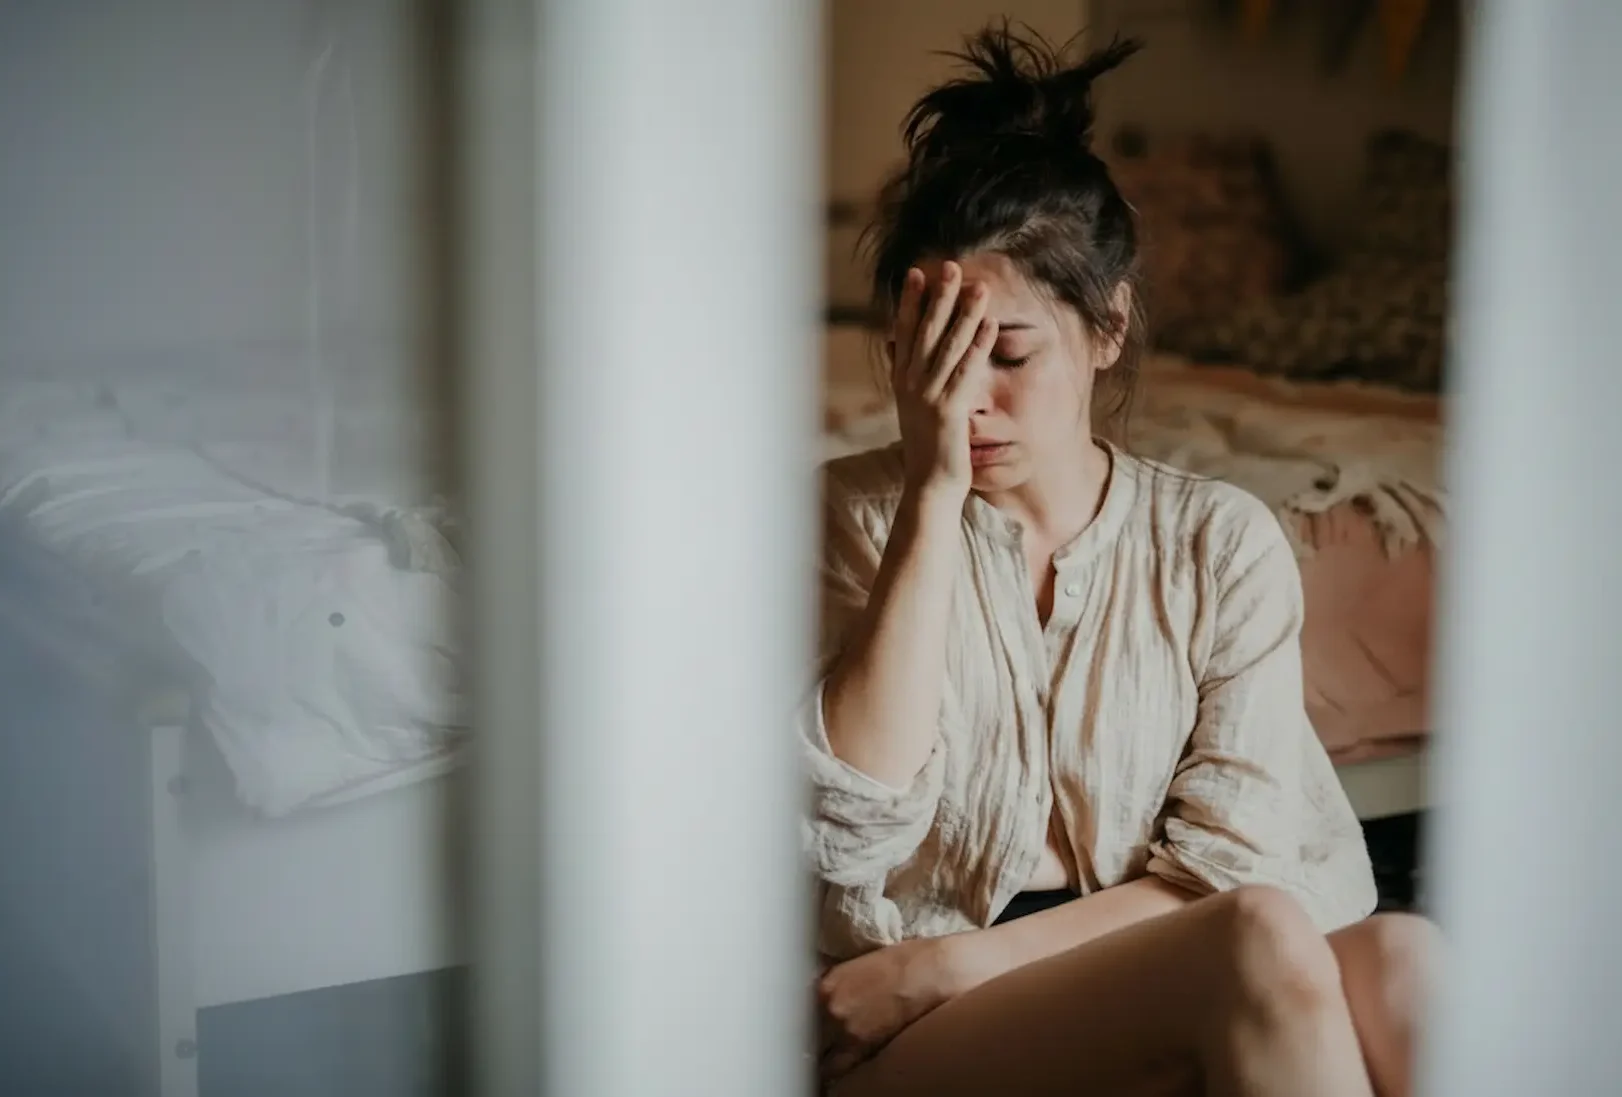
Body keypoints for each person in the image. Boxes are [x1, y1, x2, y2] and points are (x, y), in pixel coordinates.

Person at [803, 27, 1438, 1097]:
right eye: (931, 358)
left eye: (1005, 356)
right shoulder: (850, 514)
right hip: (906, 1023)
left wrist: (945, 964)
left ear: (1106, 327)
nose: (966, 402)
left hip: (959, 967)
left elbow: (1228, 867)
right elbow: (847, 825)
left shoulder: (1218, 539)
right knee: (1257, 941)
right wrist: (929, 493)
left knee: (1408, 960)